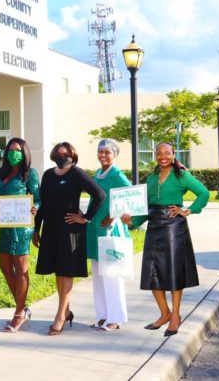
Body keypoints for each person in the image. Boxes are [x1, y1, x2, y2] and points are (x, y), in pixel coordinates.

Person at [132, 142, 209, 337]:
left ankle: (175, 315)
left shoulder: (181, 175)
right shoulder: (150, 179)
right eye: (159, 153)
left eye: (167, 153)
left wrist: (187, 211)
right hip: (154, 226)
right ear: (155, 156)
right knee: (152, 272)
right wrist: (130, 221)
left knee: (174, 272)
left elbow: (204, 193)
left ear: (173, 155)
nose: (163, 156)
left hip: (174, 227)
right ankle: (164, 313)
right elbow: (144, 209)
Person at [33, 142, 105, 336]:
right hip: (51, 229)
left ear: (73, 155)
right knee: (58, 271)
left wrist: (86, 217)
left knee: (66, 271)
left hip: (70, 229)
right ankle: (65, 310)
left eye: (65, 153)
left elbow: (99, 194)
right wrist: (36, 228)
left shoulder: (77, 173)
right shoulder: (48, 175)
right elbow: (44, 204)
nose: (61, 156)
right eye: (58, 153)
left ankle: (60, 316)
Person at [0, 137, 39, 333]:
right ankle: (23, 307)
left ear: (24, 152)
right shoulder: (0, 173)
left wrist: (35, 207)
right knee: (4, 266)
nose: (13, 153)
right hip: (6, 226)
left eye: (17, 150)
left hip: (22, 227)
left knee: (21, 269)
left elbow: (39, 198)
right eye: (10, 150)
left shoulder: (30, 174)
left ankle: (19, 313)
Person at [86, 139, 133, 332]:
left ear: (114, 154)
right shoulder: (98, 174)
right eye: (100, 151)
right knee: (98, 274)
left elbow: (130, 196)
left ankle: (116, 318)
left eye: (107, 152)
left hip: (110, 229)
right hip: (95, 228)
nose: (103, 155)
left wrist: (114, 217)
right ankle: (103, 315)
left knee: (112, 274)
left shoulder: (116, 174)